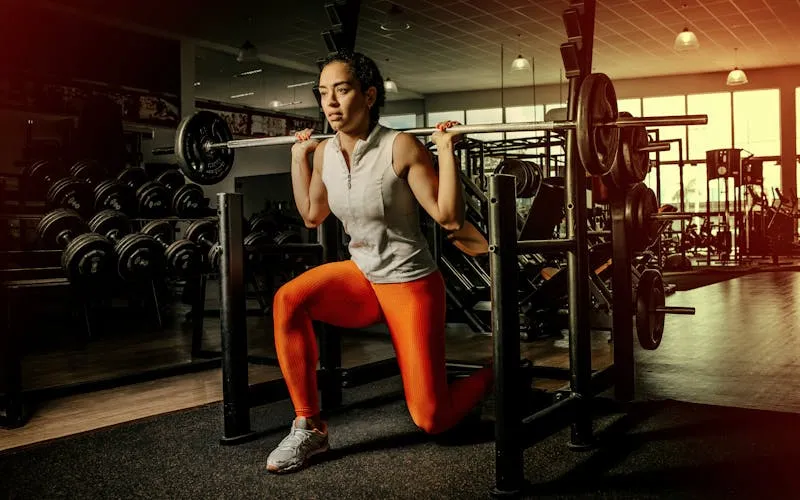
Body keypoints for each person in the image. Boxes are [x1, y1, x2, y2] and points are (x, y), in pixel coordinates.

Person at [265, 50, 494, 474]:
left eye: (342, 90)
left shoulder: (400, 146)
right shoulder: (325, 154)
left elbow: (448, 218)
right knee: (287, 299)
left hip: (410, 283)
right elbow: (312, 215)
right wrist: (299, 161)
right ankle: (308, 426)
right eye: (323, 93)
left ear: (369, 96)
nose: (330, 103)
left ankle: (496, 374)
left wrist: (446, 150)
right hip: (362, 277)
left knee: (432, 419)